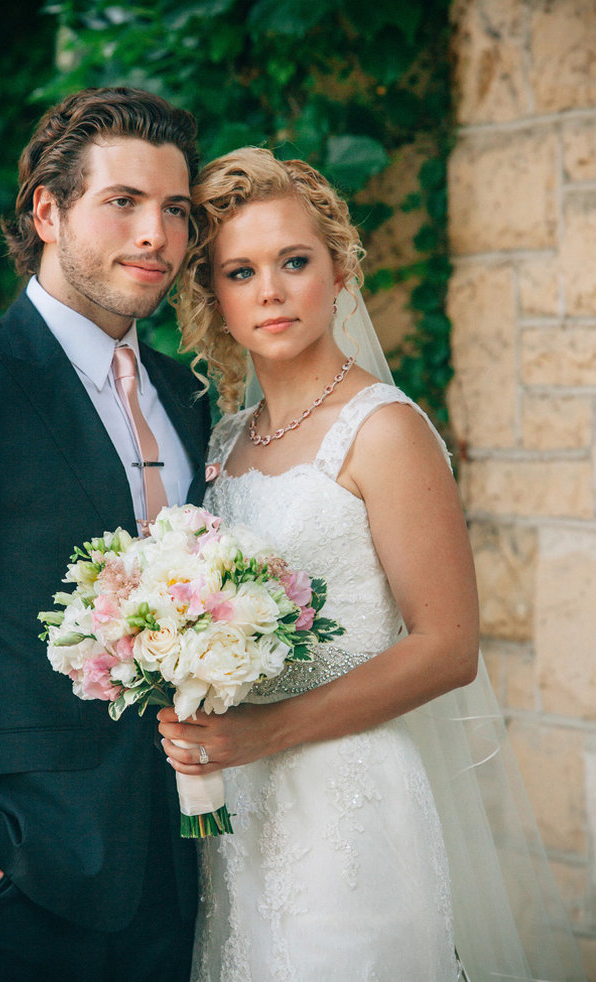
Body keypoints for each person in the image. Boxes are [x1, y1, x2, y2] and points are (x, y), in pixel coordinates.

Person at [159, 147, 586, 981]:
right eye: (240, 272)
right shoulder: (222, 445)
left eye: (294, 261)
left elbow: (446, 648)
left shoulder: (383, 431)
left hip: (350, 803)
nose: (271, 291)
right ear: (214, 295)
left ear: (340, 268)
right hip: (242, 812)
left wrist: (261, 733)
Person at [0, 87, 210, 982]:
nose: (156, 235)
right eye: (123, 202)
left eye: (175, 209)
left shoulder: (192, 399)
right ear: (48, 212)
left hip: (182, 864)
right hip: (18, 876)